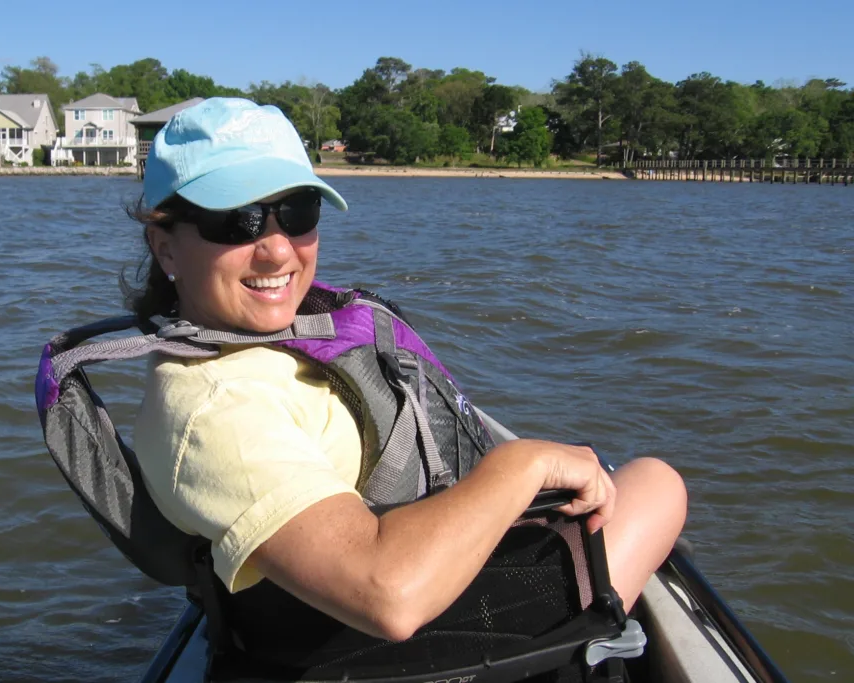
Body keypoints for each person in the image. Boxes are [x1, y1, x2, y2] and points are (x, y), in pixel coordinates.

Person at [128, 97, 687, 644]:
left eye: (298, 212)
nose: (277, 251)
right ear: (166, 248)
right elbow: (389, 595)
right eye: (235, 221)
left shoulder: (259, 351)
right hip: (434, 634)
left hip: (427, 578)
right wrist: (525, 463)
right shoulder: (217, 410)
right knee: (656, 484)